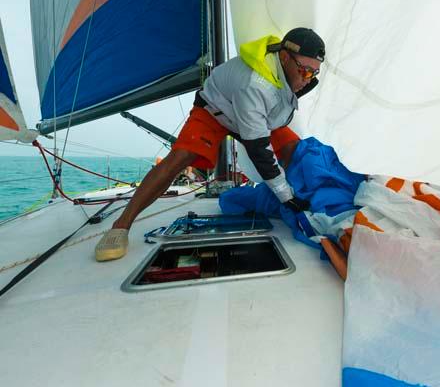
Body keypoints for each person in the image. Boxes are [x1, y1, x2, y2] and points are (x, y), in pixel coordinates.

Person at [95, 27, 325, 261]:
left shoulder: (288, 66)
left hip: (255, 115)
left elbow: (269, 119)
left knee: (298, 152)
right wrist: (285, 194)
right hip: (215, 112)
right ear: (284, 58)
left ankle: (302, 205)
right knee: (180, 157)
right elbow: (259, 150)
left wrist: (287, 193)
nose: (308, 80)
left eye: (314, 73)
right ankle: (120, 226)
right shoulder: (255, 85)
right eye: (305, 72)